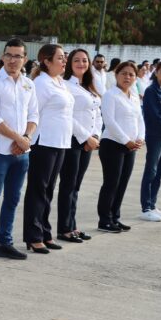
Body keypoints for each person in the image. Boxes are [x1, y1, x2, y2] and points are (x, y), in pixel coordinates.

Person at [0, 39, 38, 264]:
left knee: (12, 199)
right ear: (3, 57)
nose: (13, 60)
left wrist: (27, 138)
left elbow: (34, 115)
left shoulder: (28, 84)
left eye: (18, 56)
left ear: (24, 59)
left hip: (22, 152)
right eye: (9, 55)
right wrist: (18, 138)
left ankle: (5, 242)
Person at [23, 44, 74, 254]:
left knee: (49, 190)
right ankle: (33, 235)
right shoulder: (41, 84)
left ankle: (44, 231)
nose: (64, 61)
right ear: (47, 61)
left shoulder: (60, 82)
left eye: (65, 58)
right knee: (38, 189)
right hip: (43, 143)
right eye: (60, 58)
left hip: (60, 142)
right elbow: (34, 113)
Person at [56, 49, 101, 242]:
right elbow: (69, 116)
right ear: (69, 63)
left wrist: (96, 135)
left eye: (84, 60)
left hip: (89, 141)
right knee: (68, 185)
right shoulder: (65, 85)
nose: (81, 63)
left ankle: (72, 225)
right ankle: (64, 229)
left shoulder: (89, 86)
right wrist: (85, 137)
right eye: (77, 60)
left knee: (76, 186)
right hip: (73, 140)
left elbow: (97, 113)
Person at [97, 61, 145, 232]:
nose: (127, 77)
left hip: (130, 146)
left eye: (131, 74)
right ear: (116, 75)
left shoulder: (133, 95)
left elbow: (140, 118)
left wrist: (140, 138)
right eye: (124, 73)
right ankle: (104, 220)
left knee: (123, 183)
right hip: (113, 145)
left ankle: (114, 217)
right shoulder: (111, 95)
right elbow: (109, 121)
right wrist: (126, 140)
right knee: (111, 183)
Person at [140, 61, 161, 221]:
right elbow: (154, 116)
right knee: (151, 170)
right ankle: (146, 206)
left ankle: (153, 204)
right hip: (155, 135)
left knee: (159, 171)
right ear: (156, 72)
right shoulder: (151, 91)